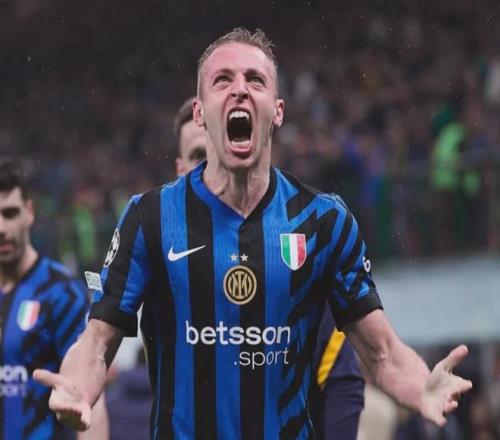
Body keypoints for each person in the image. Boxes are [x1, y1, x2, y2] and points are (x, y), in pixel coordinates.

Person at [35, 28, 472, 439]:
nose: (240, 89)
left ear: (277, 111)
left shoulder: (324, 221)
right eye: (222, 79)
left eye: (255, 79)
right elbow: (97, 343)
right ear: (200, 112)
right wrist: (76, 385)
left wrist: (421, 387)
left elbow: (381, 352)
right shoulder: (149, 217)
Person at [174, 95, 364, 439]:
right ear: (179, 169)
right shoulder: (159, 260)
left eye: (218, 149)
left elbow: (341, 376)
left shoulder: (298, 253)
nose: (212, 164)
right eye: (199, 155)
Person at [0, 159, 108, 439]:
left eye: (9, 213)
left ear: (29, 212)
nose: (1, 227)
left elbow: (89, 400)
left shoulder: (62, 293)